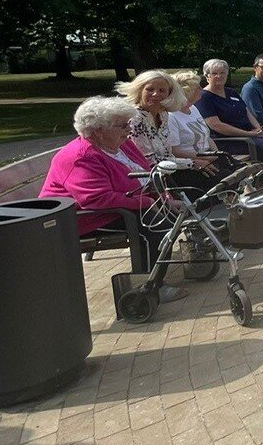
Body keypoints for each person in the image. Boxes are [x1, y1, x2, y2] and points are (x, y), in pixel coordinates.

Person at [39, 97, 187, 303]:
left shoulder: (122, 144)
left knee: (175, 213)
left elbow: (146, 175)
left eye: (128, 123)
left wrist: (164, 197)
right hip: (84, 218)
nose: (129, 129)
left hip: (120, 206)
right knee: (154, 225)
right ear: (99, 130)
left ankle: (159, 275)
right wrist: (148, 202)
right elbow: (96, 198)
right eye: (122, 125)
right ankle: (149, 287)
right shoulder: (81, 156)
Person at [118, 69, 222, 193]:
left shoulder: (163, 114)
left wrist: (195, 162)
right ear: (140, 91)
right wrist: (192, 163)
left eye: (162, 90)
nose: (156, 94)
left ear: (169, 94)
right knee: (212, 182)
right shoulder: (135, 119)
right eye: (150, 89)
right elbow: (149, 161)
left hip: (169, 169)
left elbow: (167, 154)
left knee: (223, 176)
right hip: (147, 176)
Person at [194, 59, 263, 181]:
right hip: (230, 139)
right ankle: (261, 182)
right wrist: (248, 134)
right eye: (214, 73)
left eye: (222, 73)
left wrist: (257, 128)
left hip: (250, 133)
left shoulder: (230, 92)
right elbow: (216, 125)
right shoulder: (204, 97)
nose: (219, 76)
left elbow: (246, 111)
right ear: (207, 76)